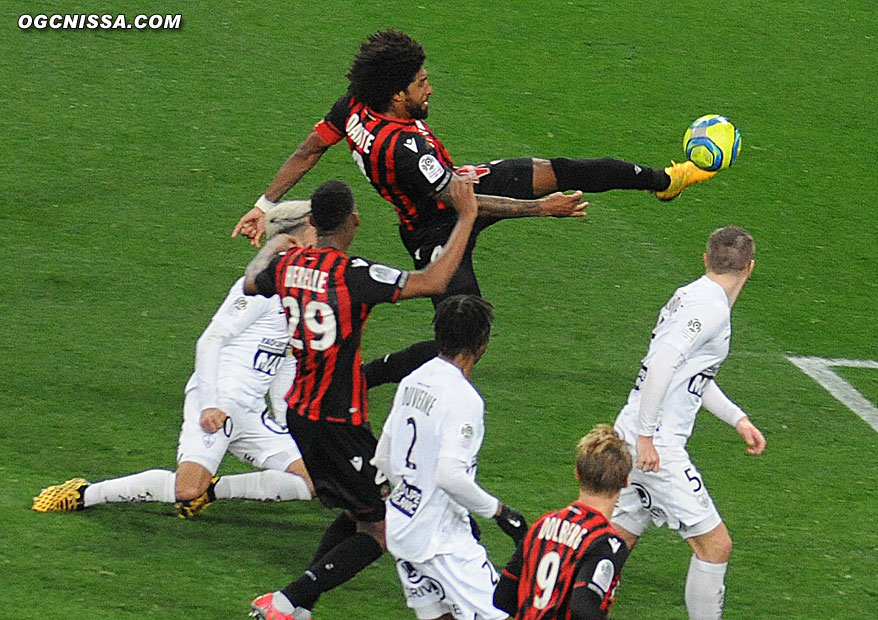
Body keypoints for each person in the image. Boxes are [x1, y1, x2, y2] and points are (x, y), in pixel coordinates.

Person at [232, 29, 712, 302]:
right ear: (397, 95)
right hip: (433, 228)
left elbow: (307, 151)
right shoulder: (403, 150)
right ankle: (369, 376)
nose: (430, 88)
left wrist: (263, 204)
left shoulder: (356, 105)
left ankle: (665, 181)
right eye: (422, 83)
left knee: (561, 168)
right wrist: (542, 210)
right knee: (463, 334)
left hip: (455, 183)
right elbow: (468, 206)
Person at [244, 173, 480, 620]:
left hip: (300, 412)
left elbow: (250, 283)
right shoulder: (355, 275)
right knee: (384, 529)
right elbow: (433, 281)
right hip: (338, 420)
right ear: (352, 220)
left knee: (359, 511)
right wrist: (465, 217)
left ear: (313, 221)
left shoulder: (286, 267)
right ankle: (285, 601)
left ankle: (299, 605)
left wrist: (276, 247)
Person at [32, 202, 324, 518]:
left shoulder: (303, 290)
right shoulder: (259, 285)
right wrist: (210, 403)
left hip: (252, 411)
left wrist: (287, 421)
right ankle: (84, 494)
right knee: (186, 489)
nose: (322, 245)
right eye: (316, 236)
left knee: (319, 480)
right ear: (297, 240)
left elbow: (287, 359)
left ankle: (214, 490)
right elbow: (211, 339)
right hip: (218, 400)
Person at [610, 225, 766, 620]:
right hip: (654, 446)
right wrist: (647, 438)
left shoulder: (690, 296)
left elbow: (692, 376)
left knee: (613, 543)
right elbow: (663, 362)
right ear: (750, 268)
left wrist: (737, 418)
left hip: (633, 432)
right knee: (715, 546)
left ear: (705, 259)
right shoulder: (709, 308)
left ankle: (556, 608)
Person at [371, 294, 527, 620]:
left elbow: (384, 456)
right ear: (482, 343)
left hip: (402, 529)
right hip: (442, 541)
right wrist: (500, 512)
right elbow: (449, 475)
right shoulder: (464, 399)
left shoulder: (414, 379)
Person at [493, 424, 634, 620]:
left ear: (577, 474)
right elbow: (583, 607)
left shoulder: (542, 524)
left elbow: (503, 596)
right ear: (626, 482)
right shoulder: (607, 543)